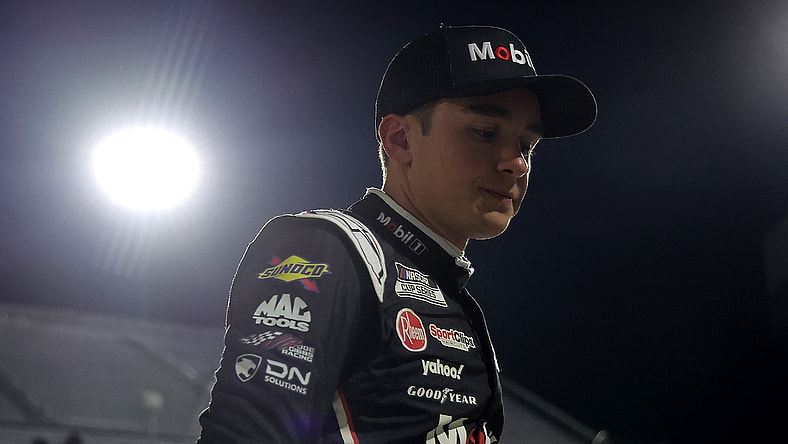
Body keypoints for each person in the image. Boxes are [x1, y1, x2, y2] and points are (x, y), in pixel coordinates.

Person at [197, 24, 596, 443]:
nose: (516, 163)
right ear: (400, 139)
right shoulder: (329, 249)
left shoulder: (453, 297)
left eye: (527, 145)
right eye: (484, 132)